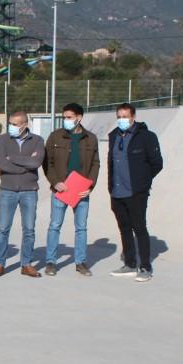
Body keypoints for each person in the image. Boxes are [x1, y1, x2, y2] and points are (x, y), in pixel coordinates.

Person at [107, 103, 163, 282]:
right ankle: (130, 264)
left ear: (133, 117)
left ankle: (145, 266)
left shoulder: (146, 137)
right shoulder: (113, 136)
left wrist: (142, 182)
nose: (121, 120)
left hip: (136, 192)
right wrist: (111, 187)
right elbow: (111, 163)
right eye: (119, 117)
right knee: (124, 228)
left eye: (125, 116)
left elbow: (157, 163)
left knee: (139, 228)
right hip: (117, 191)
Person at [42, 103, 100, 277]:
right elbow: (47, 162)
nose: (65, 120)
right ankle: (51, 262)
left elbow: (95, 164)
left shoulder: (90, 138)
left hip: (81, 190)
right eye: (64, 117)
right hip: (61, 189)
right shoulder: (55, 136)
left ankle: (80, 262)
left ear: (79, 118)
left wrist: (90, 185)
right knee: (55, 226)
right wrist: (55, 182)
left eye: (69, 117)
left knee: (81, 228)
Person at [0, 111, 45, 278]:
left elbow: (36, 162)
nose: (11, 127)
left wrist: (13, 158)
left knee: (29, 229)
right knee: (3, 229)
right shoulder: (2, 139)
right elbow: (1, 163)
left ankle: (26, 264)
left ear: (24, 125)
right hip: (8, 190)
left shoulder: (37, 140)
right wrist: (25, 165)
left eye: (14, 124)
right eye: (10, 123)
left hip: (29, 191)